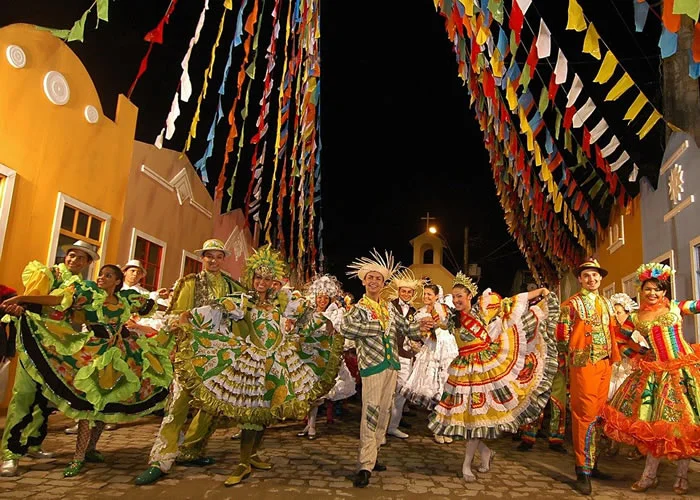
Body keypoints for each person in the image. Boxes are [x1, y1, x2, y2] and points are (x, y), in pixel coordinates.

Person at [162, 245, 342, 486]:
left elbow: (306, 313)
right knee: (252, 413)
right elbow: (215, 311)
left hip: (277, 361)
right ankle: (243, 462)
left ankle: (254, 455)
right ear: (252, 277)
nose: (262, 282)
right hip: (252, 363)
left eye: (267, 278)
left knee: (266, 411)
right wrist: (189, 316)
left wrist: (325, 323)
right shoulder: (243, 301)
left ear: (273, 281)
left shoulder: (282, 301)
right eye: (258, 277)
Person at [1, 263, 170, 477]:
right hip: (95, 353)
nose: (101, 278)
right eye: (101, 274)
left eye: (108, 275)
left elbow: (155, 306)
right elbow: (57, 300)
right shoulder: (88, 294)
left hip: (122, 353)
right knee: (89, 406)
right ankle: (77, 457)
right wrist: (22, 299)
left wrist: (183, 311)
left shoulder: (126, 299)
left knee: (106, 402)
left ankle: (90, 449)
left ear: (117, 281)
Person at [429, 273, 559, 483]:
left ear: (470, 295)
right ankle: (486, 452)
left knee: (476, 417)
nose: (456, 300)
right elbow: (434, 321)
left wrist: (541, 292)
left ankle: (466, 464)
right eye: (453, 297)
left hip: (483, 368)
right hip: (462, 370)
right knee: (470, 419)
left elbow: (514, 301)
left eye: (460, 296)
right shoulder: (452, 317)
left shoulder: (484, 310)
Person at [135, 239, 244, 485]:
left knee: (212, 406)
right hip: (190, 352)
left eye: (218, 256)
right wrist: (187, 319)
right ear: (202, 258)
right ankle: (161, 460)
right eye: (209, 256)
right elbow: (173, 316)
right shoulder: (190, 283)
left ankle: (191, 450)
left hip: (220, 355)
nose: (213, 261)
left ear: (223, 259)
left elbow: (243, 317)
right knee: (177, 405)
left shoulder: (233, 286)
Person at [0, 240, 98, 476]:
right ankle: (11, 453)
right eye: (71, 255)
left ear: (87, 263)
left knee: (47, 397)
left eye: (80, 258)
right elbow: (37, 299)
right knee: (24, 393)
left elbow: (69, 307)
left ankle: (34, 443)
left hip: (60, 344)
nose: (74, 260)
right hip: (34, 340)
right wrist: (21, 304)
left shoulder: (83, 287)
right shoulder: (45, 272)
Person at [602, 263, 700, 495]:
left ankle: (681, 477)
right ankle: (649, 477)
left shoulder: (677, 307)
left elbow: (697, 306)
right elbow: (619, 339)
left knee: (686, 427)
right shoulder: (635, 317)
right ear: (641, 291)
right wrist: (637, 354)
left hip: (684, 371)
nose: (653, 293)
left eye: (658, 289)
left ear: (665, 292)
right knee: (655, 428)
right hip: (655, 375)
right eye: (648, 289)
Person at [340, 250, 431, 488]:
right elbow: (347, 329)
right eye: (370, 278)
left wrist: (423, 325)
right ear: (364, 282)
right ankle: (364, 464)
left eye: (378, 279)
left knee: (385, 411)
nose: (373, 281)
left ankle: (374, 455)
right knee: (370, 412)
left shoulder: (390, 309)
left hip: (391, 365)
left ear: (383, 283)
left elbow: (407, 329)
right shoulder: (359, 308)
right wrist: (376, 328)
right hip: (372, 367)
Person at [557, 258, 645, 495]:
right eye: (587, 275)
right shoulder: (571, 305)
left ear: (600, 278)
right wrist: (568, 364)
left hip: (605, 364)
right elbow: (561, 337)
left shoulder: (607, 303)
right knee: (584, 415)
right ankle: (582, 470)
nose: (592, 279)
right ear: (580, 279)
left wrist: (642, 348)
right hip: (584, 365)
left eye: (595, 275)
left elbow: (617, 331)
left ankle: (592, 464)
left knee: (598, 414)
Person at [296, 275, 354, 440]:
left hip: (323, 358)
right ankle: (309, 424)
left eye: (325, 297)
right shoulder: (307, 312)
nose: (322, 300)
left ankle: (312, 425)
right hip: (306, 357)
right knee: (307, 392)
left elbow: (337, 331)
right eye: (319, 297)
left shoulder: (336, 313)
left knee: (317, 394)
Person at [400, 283, 458, 444]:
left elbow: (451, 326)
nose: (426, 297)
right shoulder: (420, 314)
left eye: (429, 294)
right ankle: (436, 428)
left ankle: (445, 427)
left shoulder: (445, 310)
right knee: (435, 391)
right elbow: (419, 335)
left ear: (437, 296)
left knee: (446, 391)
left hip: (448, 351)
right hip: (432, 352)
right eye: (424, 294)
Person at [386, 269, 423, 440]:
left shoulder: (414, 312)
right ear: (398, 291)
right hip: (389, 354)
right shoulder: (388, 306)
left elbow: (416, 334)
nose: (406, 294)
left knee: (401, 394)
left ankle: (393, 426)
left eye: (409, 291)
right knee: (386, 392)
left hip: (406, 356)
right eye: (404, 291)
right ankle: (381, 429)